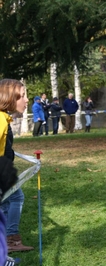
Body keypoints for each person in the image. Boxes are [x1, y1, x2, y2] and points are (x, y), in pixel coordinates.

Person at [0, 79, 33, 256]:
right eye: (23, 95)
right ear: (10, 97)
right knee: (16, 197)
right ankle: (11, 240)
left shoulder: (4, 118)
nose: (27, 99)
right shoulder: (1, 120)